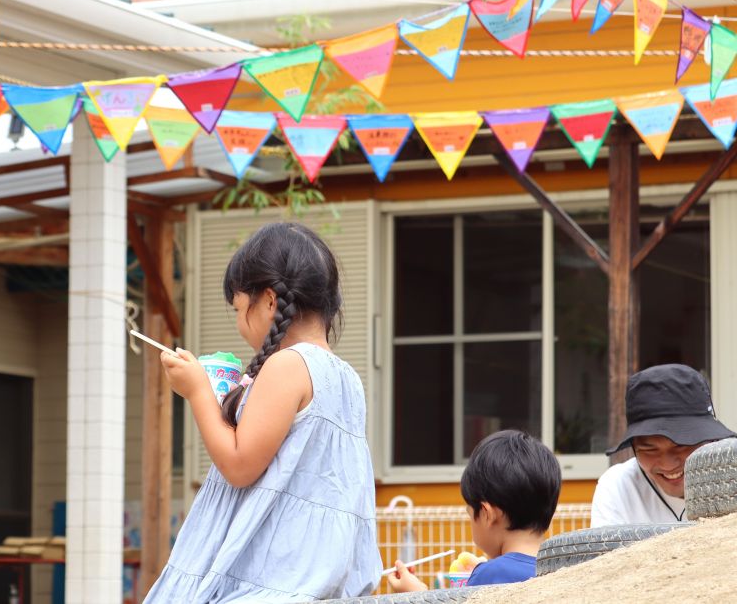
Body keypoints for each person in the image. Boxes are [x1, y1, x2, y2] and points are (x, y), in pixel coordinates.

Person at [144, 221, 381, 603]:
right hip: (318, 578)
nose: (239, 323)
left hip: (272, 583)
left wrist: (198, 393)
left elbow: (239, 466)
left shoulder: (287, 365)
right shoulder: (346, 377)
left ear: (269, 301)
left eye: (239, 307)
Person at [388, 430, 561, 592]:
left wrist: (418, 596)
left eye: (470, 514)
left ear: (486, 514)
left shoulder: (490, 575)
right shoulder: (562, 569)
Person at [591, 363, 735, 526]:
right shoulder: (619, 486)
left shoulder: (732, 474)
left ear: (712, 440)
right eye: (649, 449)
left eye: (682, 444)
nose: (667, 464)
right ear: (634, 447)